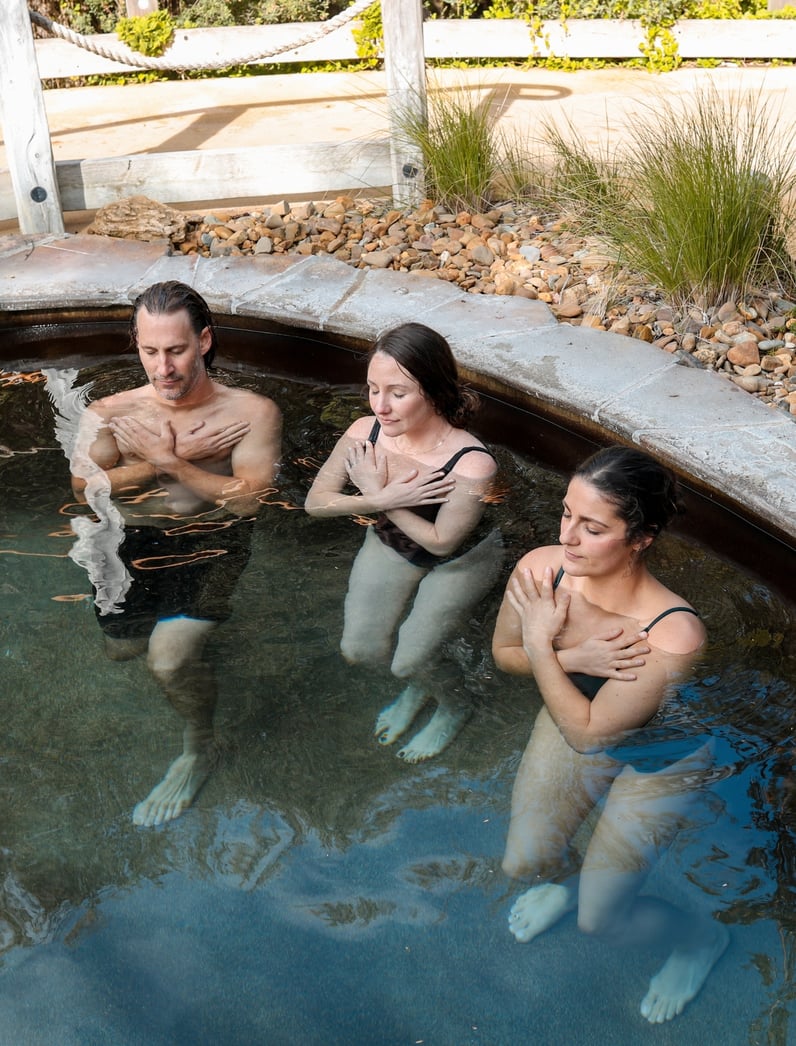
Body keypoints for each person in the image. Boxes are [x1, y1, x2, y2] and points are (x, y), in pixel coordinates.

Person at [492, 445, 728, 1024]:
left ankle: (700, 939)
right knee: (524, 862)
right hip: (571, 711)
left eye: (593, 528)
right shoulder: (541, 570)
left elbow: (590, 736)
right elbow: (504, 652)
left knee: (602, 922)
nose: (567, 537)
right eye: (566, 513)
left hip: (664, 755)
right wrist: (570, 655)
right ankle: (573, 882)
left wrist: (544, 642)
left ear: (640, 538)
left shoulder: (671, 633)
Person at [70, 281, 282, 827]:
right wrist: (164, 460)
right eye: (150, 351)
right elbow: (84, 488)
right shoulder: (111, 411)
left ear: (204, 341)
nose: (163, 368)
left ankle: (199, 747)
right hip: (128, 542)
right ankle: (193, 648)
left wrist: (176, 466)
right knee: (123, 649)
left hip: (212, 540)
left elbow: (249, 501)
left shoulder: (251, 412)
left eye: (177, 350)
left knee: (167, 661)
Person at [305, 322, 503, 762]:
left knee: (408, 658)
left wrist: (381, 496)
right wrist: (379, 498)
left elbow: (442, 542)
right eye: (373, 389)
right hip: (393, 542)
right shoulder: (365, 432)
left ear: (433, 392)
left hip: (462, 558)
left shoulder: (470, 463)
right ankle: (421, 685)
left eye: (397, 393)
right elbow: (316, 503)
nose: (380, 406)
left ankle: (454, 704)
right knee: (359, 650)